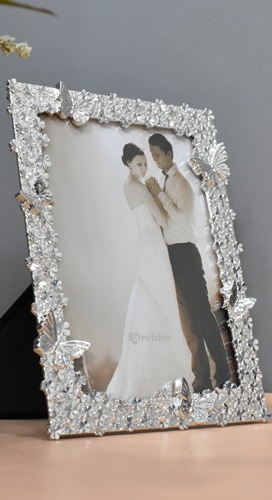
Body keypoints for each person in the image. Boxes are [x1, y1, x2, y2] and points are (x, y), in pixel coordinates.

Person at [106, 143, 193, 399]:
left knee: (153, 299)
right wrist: (158, 194)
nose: (144, 168)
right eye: (139, 164)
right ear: (128, 164)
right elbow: (163, 219)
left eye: (145, 163)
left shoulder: (128, 186)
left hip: (146, 244)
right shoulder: (139, 187)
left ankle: (156, 368)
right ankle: (165, 370)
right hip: (153, 247)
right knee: (162, 302)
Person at [146, 133, 232, 392]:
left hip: (186, 253)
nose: (156, 160)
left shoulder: (181, 183)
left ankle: (224, 375)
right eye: (152, 156)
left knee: (203, 316)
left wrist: (159, 195)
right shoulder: (165, 182)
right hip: (172, 255)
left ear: (169, 154)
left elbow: (182, 221)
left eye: (158, 155)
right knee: (188, 324)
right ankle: (201, 381)